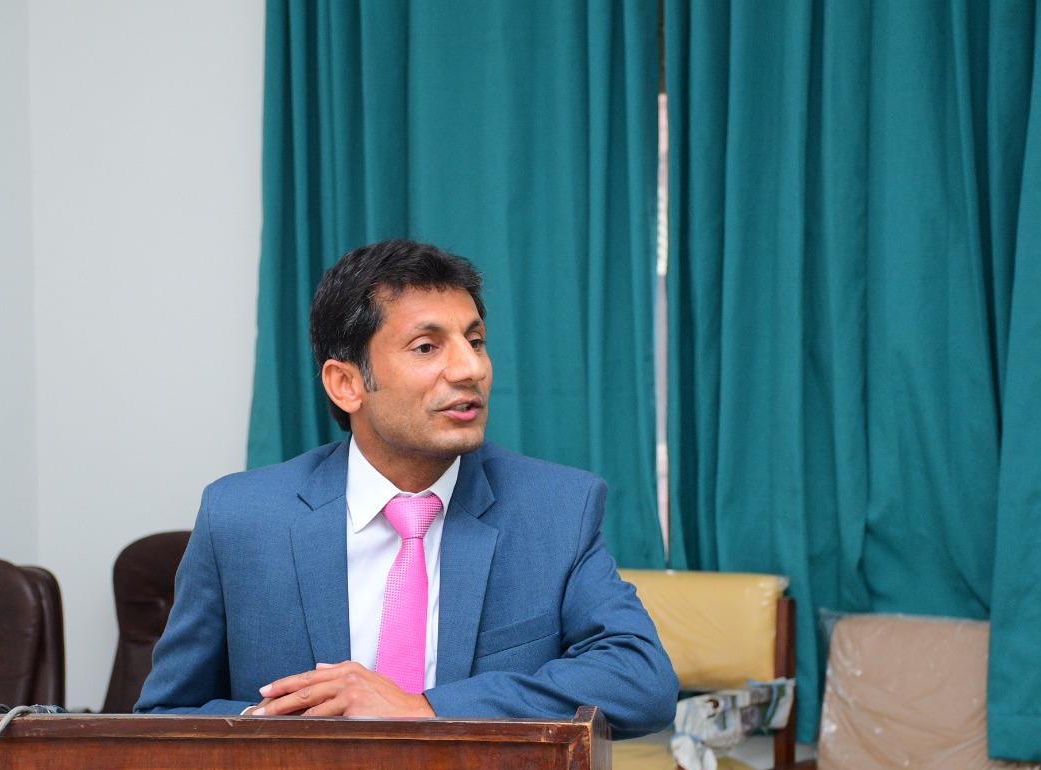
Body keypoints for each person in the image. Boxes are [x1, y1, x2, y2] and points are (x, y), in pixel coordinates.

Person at [134, 238, 675, 739]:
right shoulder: (241, 517)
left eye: (475, 341)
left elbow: (640, 680)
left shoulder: (555, 509)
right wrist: (281, 722)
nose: (470, 368)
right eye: (426, 347)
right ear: (347, 384)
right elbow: (162, 718)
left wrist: (424, 708)